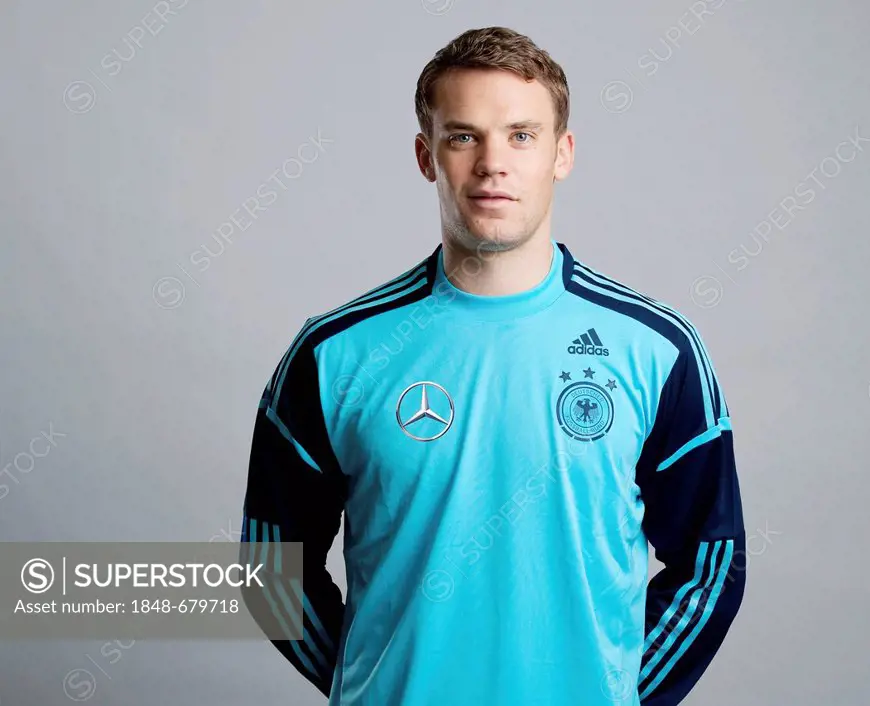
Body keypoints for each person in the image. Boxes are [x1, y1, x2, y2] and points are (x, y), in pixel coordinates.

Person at [239, 25, 745, 706]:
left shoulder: (654, 348)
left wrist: (617, 691)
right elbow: (270, 567)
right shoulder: (336, 353)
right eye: (463, 136)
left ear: (562, 154)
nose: (492, 164)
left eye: (521, 135)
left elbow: (711, 564)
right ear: (427, 156)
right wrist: (369, 680)